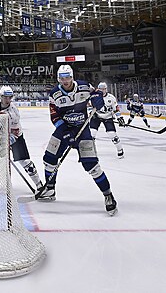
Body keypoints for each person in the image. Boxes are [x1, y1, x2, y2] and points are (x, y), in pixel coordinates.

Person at [36, 65, 117, 216]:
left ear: (72, 77)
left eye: (67, 77)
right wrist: (66, 134)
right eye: (62, 78)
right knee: (49, 158)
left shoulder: (84, 86)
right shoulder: (55, 94)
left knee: (92, 166)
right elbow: (54, 116)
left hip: (83, 129)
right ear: (58, 79)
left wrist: (98, 98)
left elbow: (97, 93)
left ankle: (108, 195)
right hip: (64, 129)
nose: (65, 81)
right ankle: (50, 188)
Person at [0, 86, 43, 190]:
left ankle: (39, 184)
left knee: (24, 161)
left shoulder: (13, 113)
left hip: (15, 136)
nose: (7, 100)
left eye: (10, 97)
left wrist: (7, 145)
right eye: (5, 97)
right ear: (0, 96)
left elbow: (15, 132)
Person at [90, 82, 125, 158]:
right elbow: (89, 106)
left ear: (106, 89)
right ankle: (91, 152)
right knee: (91, 135)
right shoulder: (94, 96)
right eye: (100, 89)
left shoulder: (111, 98)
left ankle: (120, 150)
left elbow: (116, 109)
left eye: (103, 89)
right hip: (96, 117)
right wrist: (90, 112)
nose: (102, 91)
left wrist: (120, 118)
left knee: (113, 136)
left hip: (108, 117)